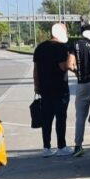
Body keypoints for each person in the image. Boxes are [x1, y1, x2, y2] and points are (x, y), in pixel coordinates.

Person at [33, 23, 75, 157]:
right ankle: (61, 146)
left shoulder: (39, 48)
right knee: (60, 117)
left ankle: (46, 147)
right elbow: (63, 67)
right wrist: (70, 56)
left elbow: (35, 70)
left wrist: (37, 86)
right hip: (59, 88)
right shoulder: (61, 48)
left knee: (47, 119)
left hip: (45, 88)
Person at [70, 24, 90, 157]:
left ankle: (78, 146)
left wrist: (78, 73)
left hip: (83, 84)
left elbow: (70, 64)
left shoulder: (76, 45)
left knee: (80, 117)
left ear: (82, 33)